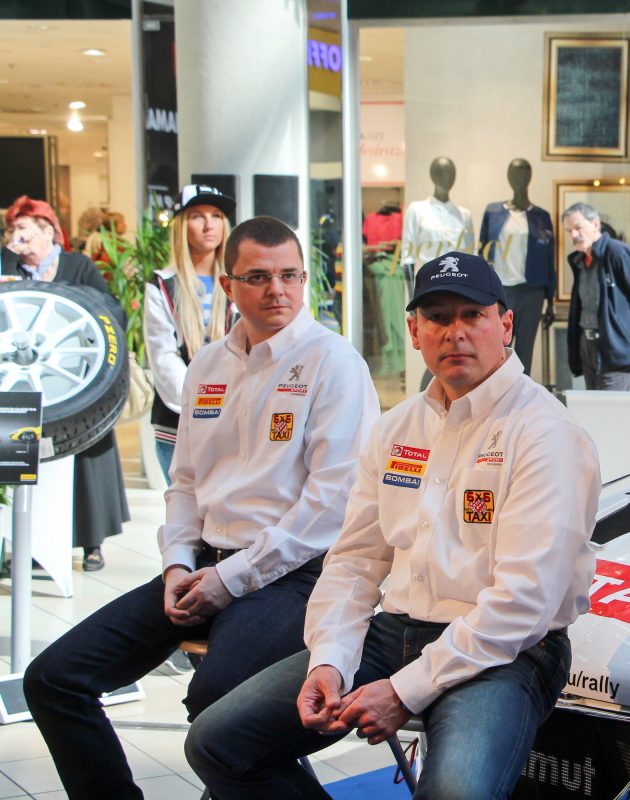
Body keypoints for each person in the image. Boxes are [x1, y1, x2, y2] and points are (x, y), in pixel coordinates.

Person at [185, 251, 601, 800]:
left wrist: (403, 691)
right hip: (394, 632)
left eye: (472, 315)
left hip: (509, 650)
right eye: (437, 317)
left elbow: (524, 602)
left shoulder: (546, 434)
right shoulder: (396, 429)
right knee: (216, 742)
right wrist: (330, 660)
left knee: (455, 794)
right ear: (414, 332)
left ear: (505, 326)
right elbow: (355, 562)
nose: (454, 332)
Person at [22, 216, 380, 800]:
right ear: (228, 284)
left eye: (290, 275)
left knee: (216, 709)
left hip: (294, 576)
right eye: (258, 277)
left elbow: (330, 507)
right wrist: (177, 565)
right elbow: (185, 482)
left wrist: (231, 579)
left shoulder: (333, 363)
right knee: (54, 679)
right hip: (204, 567)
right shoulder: (209, 366)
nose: (278, 290)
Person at [2, 196, 130, 571]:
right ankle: (25, 546)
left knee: (86, 460)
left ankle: (92, 544)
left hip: (76, 383)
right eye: (13, 229)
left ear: (48, 231)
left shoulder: (77, 265)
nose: (17, 236)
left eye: (24, 227)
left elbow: (111, 310)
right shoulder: (8, 268)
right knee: (20, 464)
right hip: (21, 386)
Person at [144, 184, 237, 482]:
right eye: (197, 216)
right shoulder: (162, 285)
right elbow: (163, 356)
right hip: (178, 422)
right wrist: (202, 405)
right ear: (182, 225)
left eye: (217, 215)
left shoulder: (241, 281)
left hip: (235, 418)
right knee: (183, 505)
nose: (209, 225)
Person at [563, 202, 630, 390]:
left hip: (616, 347)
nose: (573, 235)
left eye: (578, 228)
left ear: (595, 224)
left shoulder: (618, 252)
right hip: (587, 346)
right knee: (594, 405)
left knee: (607, 406)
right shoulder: (579, 261)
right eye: (569, 231)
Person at [478, 158, 556, 375]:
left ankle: (521, 393)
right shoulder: (493, 212)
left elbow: (549, 259)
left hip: (533, 291)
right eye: (515, 174)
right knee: (498, 347)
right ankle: (496, 391)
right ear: (508, 177)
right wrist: (481, 292)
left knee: (525, 349)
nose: (519, 179)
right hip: (502, 291)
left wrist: (550, 300)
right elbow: (482, 252)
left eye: (524, 174)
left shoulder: (541, 217)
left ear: (530, 178)